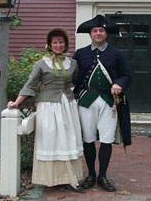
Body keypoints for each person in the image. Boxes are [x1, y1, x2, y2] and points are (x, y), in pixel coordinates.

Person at [7, 27, 85, 193]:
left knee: (68, 139)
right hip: (49, 106)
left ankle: (68, 178)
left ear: (65, 44)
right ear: (49, 45)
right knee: (52, 140)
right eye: (55, 42)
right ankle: (53, 179)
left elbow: (78, 82)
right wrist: (16, 102)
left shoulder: (73, 63)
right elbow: (30, 85)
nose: (58, 45)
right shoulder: (41, 64)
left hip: (68, 105)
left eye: (61, 42)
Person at [73, 15, 132, 192]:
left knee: (106, 139)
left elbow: (126, 75)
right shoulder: (81, 53)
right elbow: (72, 75)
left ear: (106, 34)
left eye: (101, 31)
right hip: (86, 100)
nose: (98, 33)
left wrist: (118, 83)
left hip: (109, 102)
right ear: (90, 34)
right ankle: (91, 174)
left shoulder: (116, 54)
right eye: (95, 31)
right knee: (88, 138)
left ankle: (103, 176)